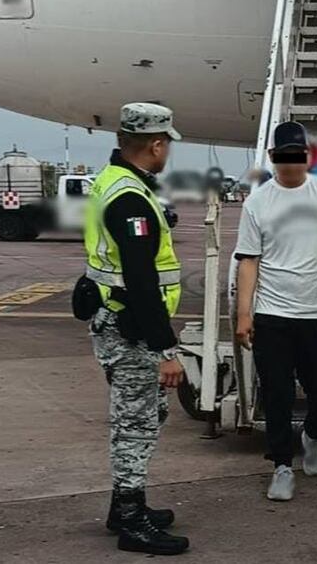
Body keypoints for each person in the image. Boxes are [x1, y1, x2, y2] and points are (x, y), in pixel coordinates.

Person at [84, 103, 189, 556]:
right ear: (157, 144)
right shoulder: (131, 199)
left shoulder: (111, 182)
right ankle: (130, 521)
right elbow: (142, 280)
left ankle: (125, 505)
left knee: (141, 417)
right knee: (136, 424)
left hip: (117, 320)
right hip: (133, 329)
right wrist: (165, 348)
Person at [233, 121, 317, 502]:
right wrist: (243, 314)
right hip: (273, 314)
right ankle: (282, 466)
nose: (289, 163)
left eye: (296, 155)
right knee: (277, 392)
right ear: (272, 158)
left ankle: (315, 433)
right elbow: (249, 261)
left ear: (306, 156)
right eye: (282, 157)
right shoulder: (258, 202)